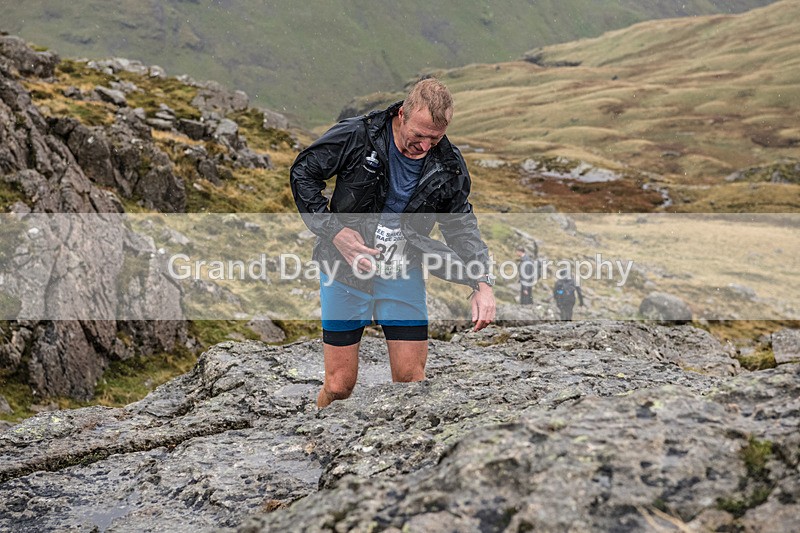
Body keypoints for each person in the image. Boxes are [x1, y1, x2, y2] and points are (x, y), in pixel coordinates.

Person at [290, 78, 496, 408]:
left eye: (436, 138)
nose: (425, 146)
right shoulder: (359, 134)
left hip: (403, 271)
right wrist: (335, 232)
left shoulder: (447, 162)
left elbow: (460, 226)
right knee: (340, 385)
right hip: (344, 268)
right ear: (402, 114)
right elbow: (303, 174)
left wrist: (482, 281)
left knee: (411, 379)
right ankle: (315, 431)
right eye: (419, 135)